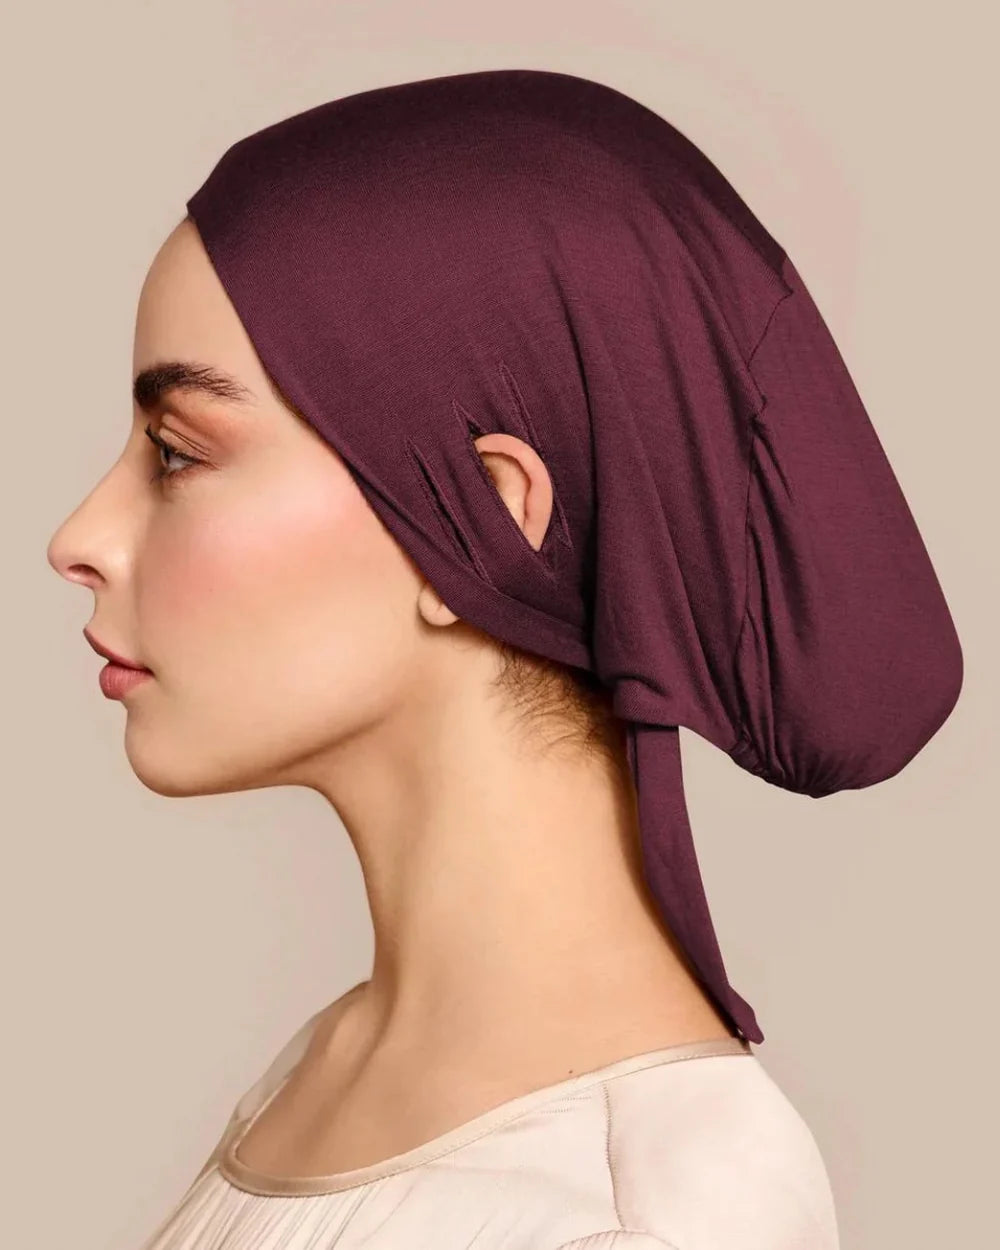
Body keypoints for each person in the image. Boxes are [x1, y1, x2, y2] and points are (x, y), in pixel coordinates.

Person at [46, 68, 961, 1249]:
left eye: (177, 451)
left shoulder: (645, 1217)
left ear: (481, 517)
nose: (79, 538)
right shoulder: (328, 1069)